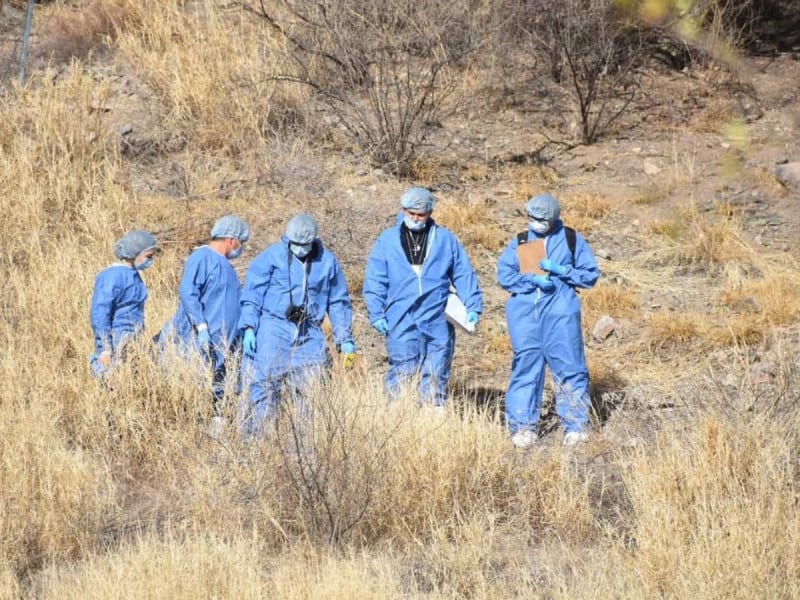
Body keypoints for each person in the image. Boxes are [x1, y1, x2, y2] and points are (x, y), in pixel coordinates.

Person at [497, 193, 600, 448]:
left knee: (569, 366)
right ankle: (522, 426)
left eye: (542, 219)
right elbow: (504, 274)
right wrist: (531, 279)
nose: (537, 223)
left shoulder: (571, 239)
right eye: (532, 218)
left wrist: (563, 271)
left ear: (554, 218)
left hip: (560, 314)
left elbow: (590, 276)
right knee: (526, 367)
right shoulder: (522, 241)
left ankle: (575, 425)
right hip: (526, 316)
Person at [363, 187, 483, 407]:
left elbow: (463, 272)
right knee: (403, 366)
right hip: (401, 314)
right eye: (411, 214)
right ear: (403, 210)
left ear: (429, 213)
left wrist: (473, 305)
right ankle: (398, 412)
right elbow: (375, 279)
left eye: (421, 215)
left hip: (436, 312)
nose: (416, 219)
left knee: (437, 364)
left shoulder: (445, 239)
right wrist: (376, 312)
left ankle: (433, 411)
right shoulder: (387, 240)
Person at [237, 213, 356, 435]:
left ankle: (304, 448)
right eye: (295, 244)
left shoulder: (327, 262)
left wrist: (345, 338)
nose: (300, 248)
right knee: (262, 385)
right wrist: (249, 328)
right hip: (274, 329)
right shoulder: (271, 258)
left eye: (304, 244)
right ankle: (254, 442)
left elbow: (338, 301)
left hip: (309, 331)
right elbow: (252, 294)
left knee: (311, 390)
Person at [157, 215, 250, 417]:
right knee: (194, 386)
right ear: (232, 239)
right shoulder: (202, 257)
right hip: (200, 340)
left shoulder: (227, 267)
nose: (241, 247)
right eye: (241, 242)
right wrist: (201, 326)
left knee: (218, 390)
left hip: (222, 343)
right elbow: (188, 292)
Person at [89, 230, 159, 377]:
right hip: (116, 338)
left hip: (132, 338)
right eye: (148, 256)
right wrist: (105, 348)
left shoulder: (133, 275)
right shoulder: (111, 276)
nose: (151, 260)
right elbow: (100, 313)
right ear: (135, 253)